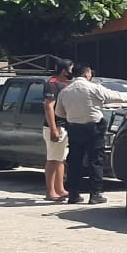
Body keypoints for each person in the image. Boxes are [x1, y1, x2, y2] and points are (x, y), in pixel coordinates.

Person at [55, 62, 127, 204]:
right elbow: (113, 95)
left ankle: (73, 194)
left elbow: (59, 113)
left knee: (74, 162)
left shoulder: (65, 91)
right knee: (96, 161)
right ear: (86, 73)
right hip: (94, 129)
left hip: (74, 129)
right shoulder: (93, 88)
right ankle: (95, 194)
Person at [42, 59, 74, 202]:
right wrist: (53, 129)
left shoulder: (66, 84)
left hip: (64, 126)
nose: (72, 72)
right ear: (64, 71)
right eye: (71, 69)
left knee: (60, 159)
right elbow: (49, 107)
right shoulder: (52, 84)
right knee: (53, 159)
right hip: (55, 127)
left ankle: (60, 189)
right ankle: (50, 192)